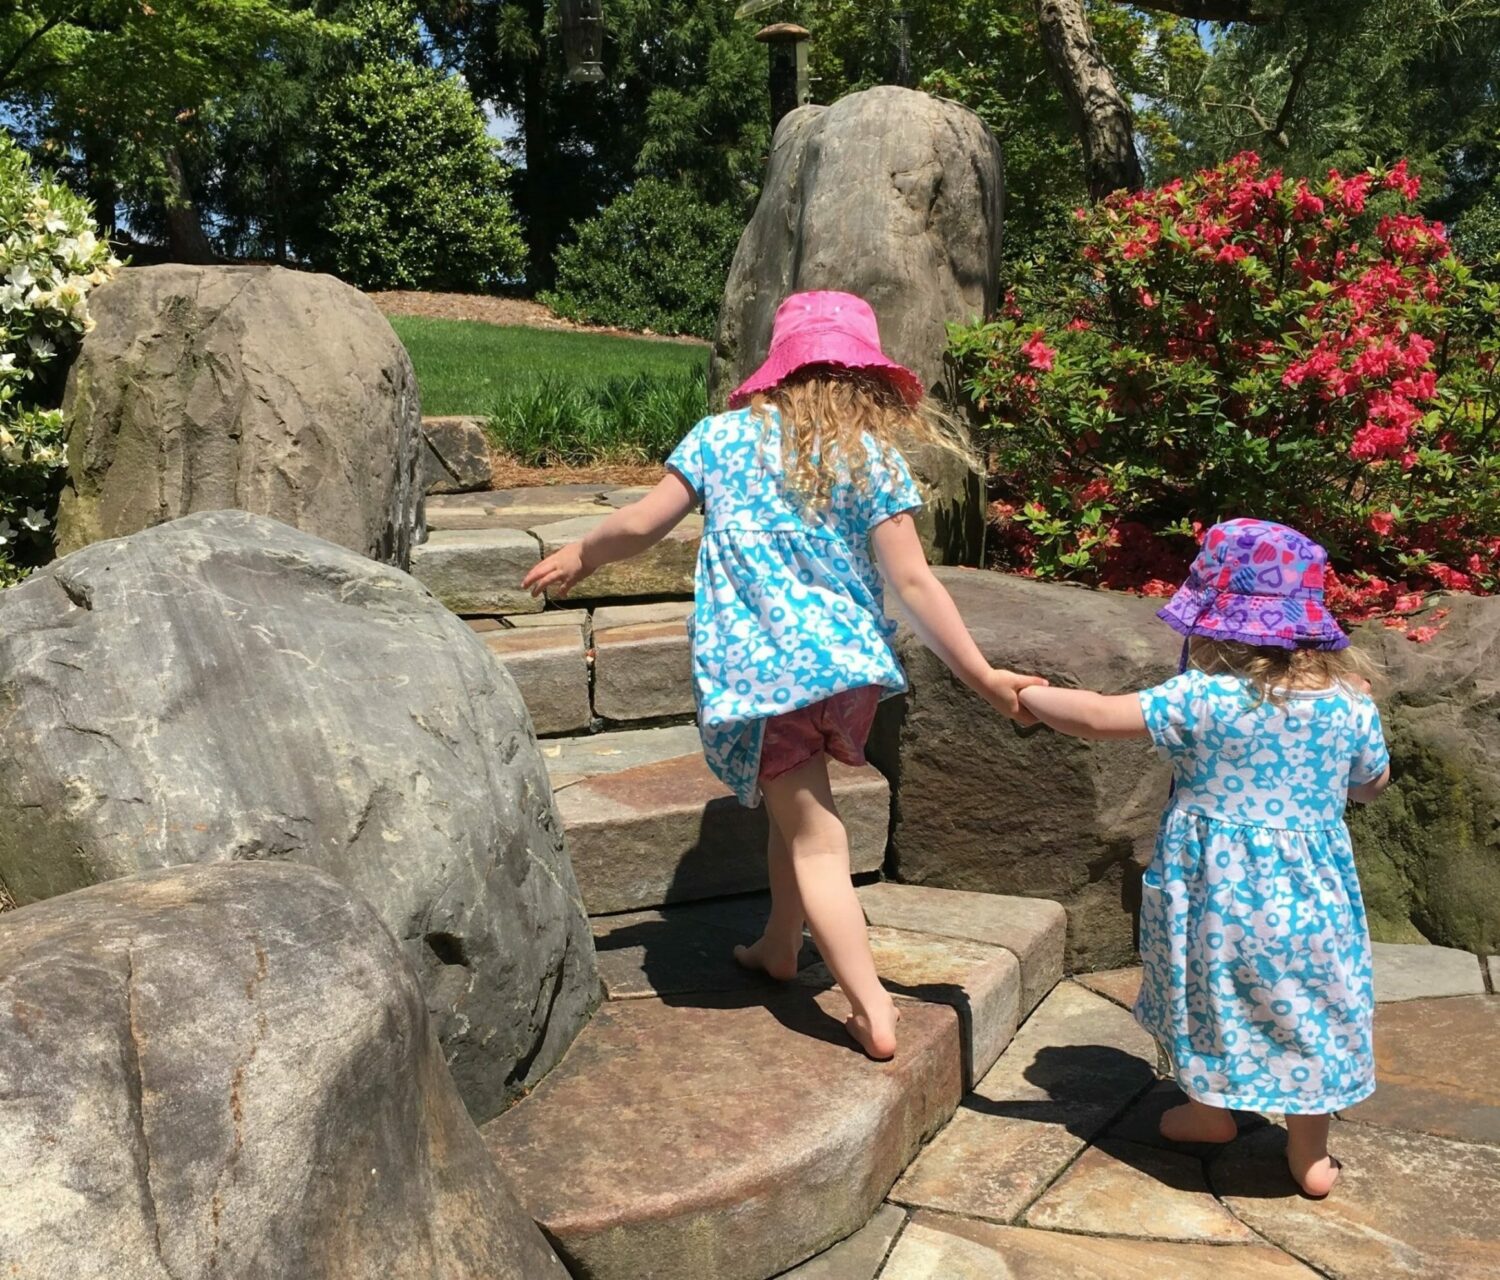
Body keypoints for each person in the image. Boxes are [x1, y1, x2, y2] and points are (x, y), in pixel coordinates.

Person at [523, 290, 1044, 1060]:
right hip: (845, 669)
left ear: (778, 370)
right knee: (795, 813)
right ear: (864, 379)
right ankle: (777, 942)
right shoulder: (870, 456)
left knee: (816, 837)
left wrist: (581, 554)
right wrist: (983, 674)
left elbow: (641, 523)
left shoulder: (721, 439)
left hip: (768, 676)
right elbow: (916, 584)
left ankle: (869, 1006)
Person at [1017, 518, 1391, 1197]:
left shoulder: (1206, 698)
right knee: (1311, 1004)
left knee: (1208, 995)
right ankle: (1309, 1158)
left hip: (1215, 895)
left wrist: (1032, 696)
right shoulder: (1349, 704)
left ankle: (1208, 1110)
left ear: (1218, 621)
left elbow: (1099, 717)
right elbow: (1370, 785)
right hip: (1313, 901)